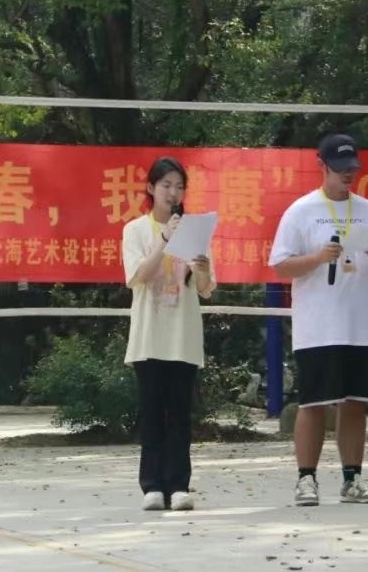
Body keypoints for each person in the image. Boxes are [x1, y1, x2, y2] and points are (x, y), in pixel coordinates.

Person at [269, 133, 368, 506]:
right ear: (322, 166)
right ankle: (306, 480)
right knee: (313, 403)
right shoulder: (301, 211)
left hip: (361, 325)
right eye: (340, 168)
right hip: (319, 326)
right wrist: (317, 258)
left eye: (352, 168)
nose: (348, 174)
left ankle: (352, 480)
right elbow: (280, 266)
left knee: (355, 402)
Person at [123, 156, 216, 511]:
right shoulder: (135, 230)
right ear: (151, 188)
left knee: (179, 413)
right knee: (151, 412)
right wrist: (164, 238)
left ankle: (178, 485)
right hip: (149, 335)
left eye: (179, 186)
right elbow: (137, 277)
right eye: (166, 185)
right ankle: (152, 486)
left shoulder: (195, 231)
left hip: (183, 336)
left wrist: (202, 268)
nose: (173, 193)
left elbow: (205, 288)